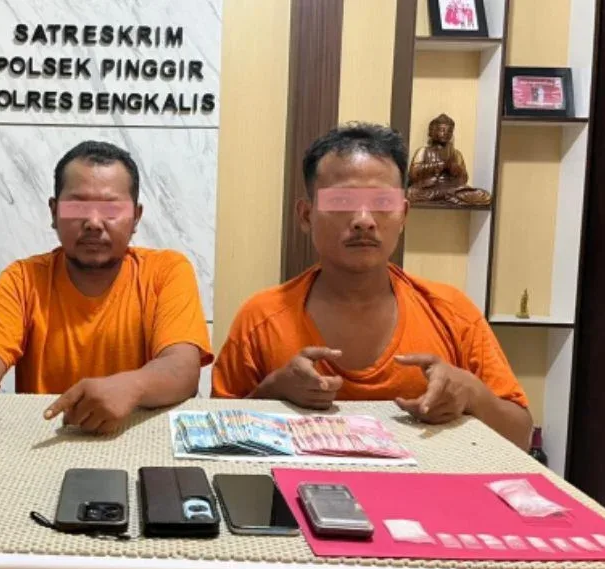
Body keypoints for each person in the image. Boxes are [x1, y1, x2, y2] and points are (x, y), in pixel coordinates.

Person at [212, 122, 533, 450]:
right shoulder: (261, 317)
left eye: (382, 202)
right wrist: (273, 391)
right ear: (306, 215)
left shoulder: (451, 313)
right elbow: (214, 438)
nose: (364, 220)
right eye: (342, 201)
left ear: (403, 214)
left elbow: (520, 437)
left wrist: (471, 393)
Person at [0, 140, 212, 434]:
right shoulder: (23, 279)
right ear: (53, 212)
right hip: (46, 439)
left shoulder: (166, 271)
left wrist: (132, 387)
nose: (93, 222)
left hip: (140, 436)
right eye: (77, 207)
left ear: (136, 217)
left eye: (111, 209)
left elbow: (182, 367)